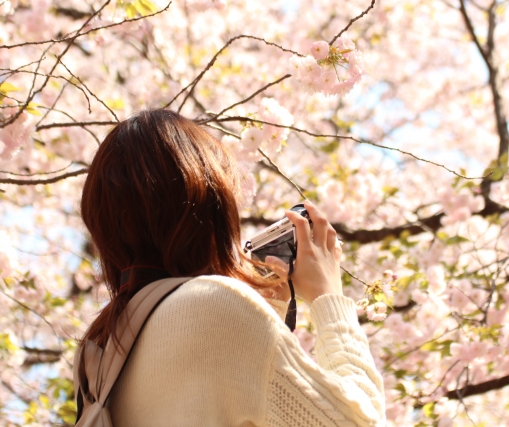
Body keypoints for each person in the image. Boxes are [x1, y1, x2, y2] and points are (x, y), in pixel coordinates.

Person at [75, 109, 385, 426]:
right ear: (211, 204)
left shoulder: (100, 349)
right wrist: (328, 297)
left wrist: (269, 311)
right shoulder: (213, 305)